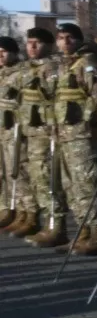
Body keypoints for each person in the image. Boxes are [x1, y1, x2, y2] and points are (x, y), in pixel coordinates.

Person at [51, 22, 97, 255]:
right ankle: (83, 232)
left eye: (70, 38)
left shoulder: (87, 64)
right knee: (71, 186)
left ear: (78, 40)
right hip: (64, 135)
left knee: (87, 185)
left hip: (83, 135)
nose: (66, 42)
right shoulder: (62, 66)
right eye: (61, 38)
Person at [13, 28, 63, 244]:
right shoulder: (25, 69)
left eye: (38, 43)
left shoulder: (55, 67)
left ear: (49, 45)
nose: (32, 47)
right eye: (29, 42)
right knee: (34, 178)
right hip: (29, 131)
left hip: (47, 131)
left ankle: (56, 226)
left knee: (48, 179)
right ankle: (41, 221)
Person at [0, 36, 30, 231]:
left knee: (18, 171)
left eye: (3, 51)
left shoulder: (23, 72)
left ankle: (25, 211)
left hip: (15, 129)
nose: (0, 56)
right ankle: (5, 208)